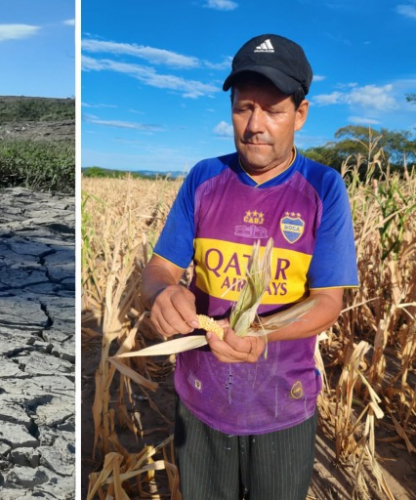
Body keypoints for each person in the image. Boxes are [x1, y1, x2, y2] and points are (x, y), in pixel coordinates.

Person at [141, 34, 358, 500]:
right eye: (243, 108)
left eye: (273, 110)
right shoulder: (204, 177)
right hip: (200, 396)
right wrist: (162, 294)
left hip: (283, 403)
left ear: (300, 114)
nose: (255, 125)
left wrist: (260, 332)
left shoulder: (323, 187)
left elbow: (328, 300)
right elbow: (159, 268)